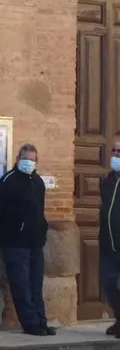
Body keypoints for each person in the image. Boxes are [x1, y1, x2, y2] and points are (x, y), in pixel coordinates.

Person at [0, 143, 55, 336]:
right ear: (17, 159)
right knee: (21, 285)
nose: (29, 162)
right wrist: (10, 232)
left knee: (35, 285)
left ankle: (41, 321)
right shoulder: (8, 181)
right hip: (15, 244)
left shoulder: (38, 182)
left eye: (32, 159)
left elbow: (39, 210)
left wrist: (41, 229)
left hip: (35, 243)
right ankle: (30, 324)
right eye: (25, 158)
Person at [100, 140, 120, 338]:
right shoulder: (108, 181)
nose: (115, 154)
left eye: (119, 151)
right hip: (108, 243)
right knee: (109, 284)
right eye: (114, 151)